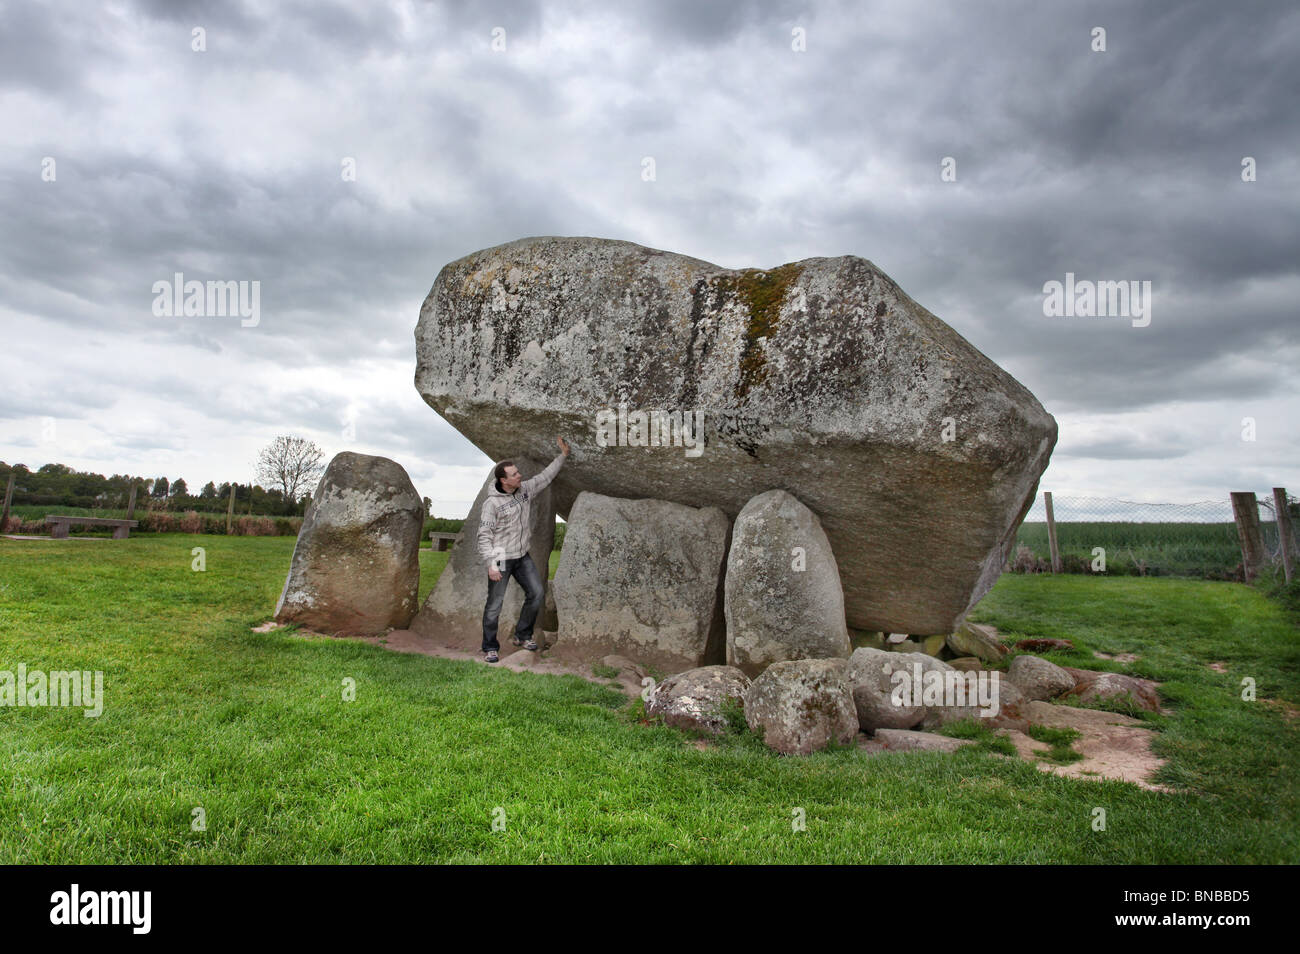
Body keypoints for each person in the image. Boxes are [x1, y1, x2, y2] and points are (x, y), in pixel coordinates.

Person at [476, 436, 570, 663]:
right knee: (494, 605)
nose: (520, 476)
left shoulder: (525, 490)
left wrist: (563, 456)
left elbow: (545, 477)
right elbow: (484, 535)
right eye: (515, 474)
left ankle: (522, 635)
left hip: (521, 555)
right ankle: (490, 647)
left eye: (518, 472)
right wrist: (491, 564)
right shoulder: (492, 504)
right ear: (503, 480)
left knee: (537, 593)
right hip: (500, 557)